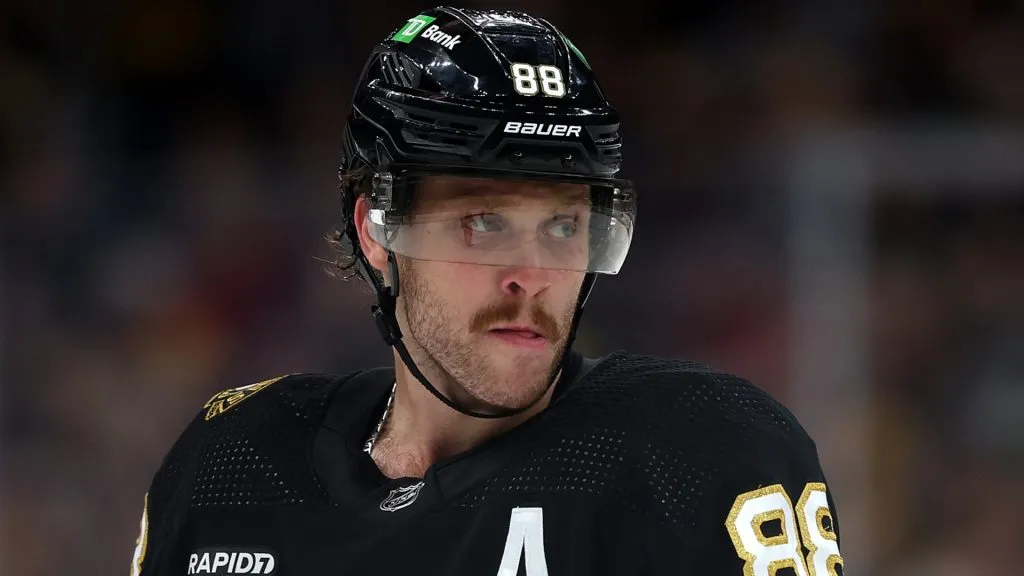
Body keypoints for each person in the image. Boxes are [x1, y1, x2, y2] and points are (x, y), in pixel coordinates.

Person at [131, 6, 845, 575]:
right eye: (485, 222)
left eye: (565, 227)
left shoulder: (698, 454)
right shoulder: (231, 466)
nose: (531, 275)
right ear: (377, 231)